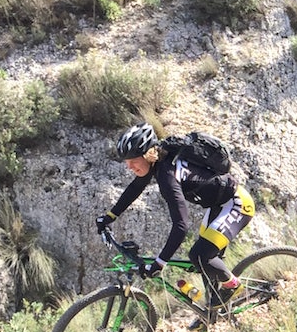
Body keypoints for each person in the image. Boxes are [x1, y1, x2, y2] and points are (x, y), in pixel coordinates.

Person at [97, 122, 255, 311]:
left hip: (236, 204)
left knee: (199, 255)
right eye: (127, 162)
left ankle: (233, 285)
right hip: (217, 206)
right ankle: (212, 315)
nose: (129, 166)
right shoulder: (159, 162)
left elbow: (181, 225)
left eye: (133, 161)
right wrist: (109, 217)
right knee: (203, 261)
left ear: (148, 154)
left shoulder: (167, 176)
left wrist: (159, 263)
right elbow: (135, 188)